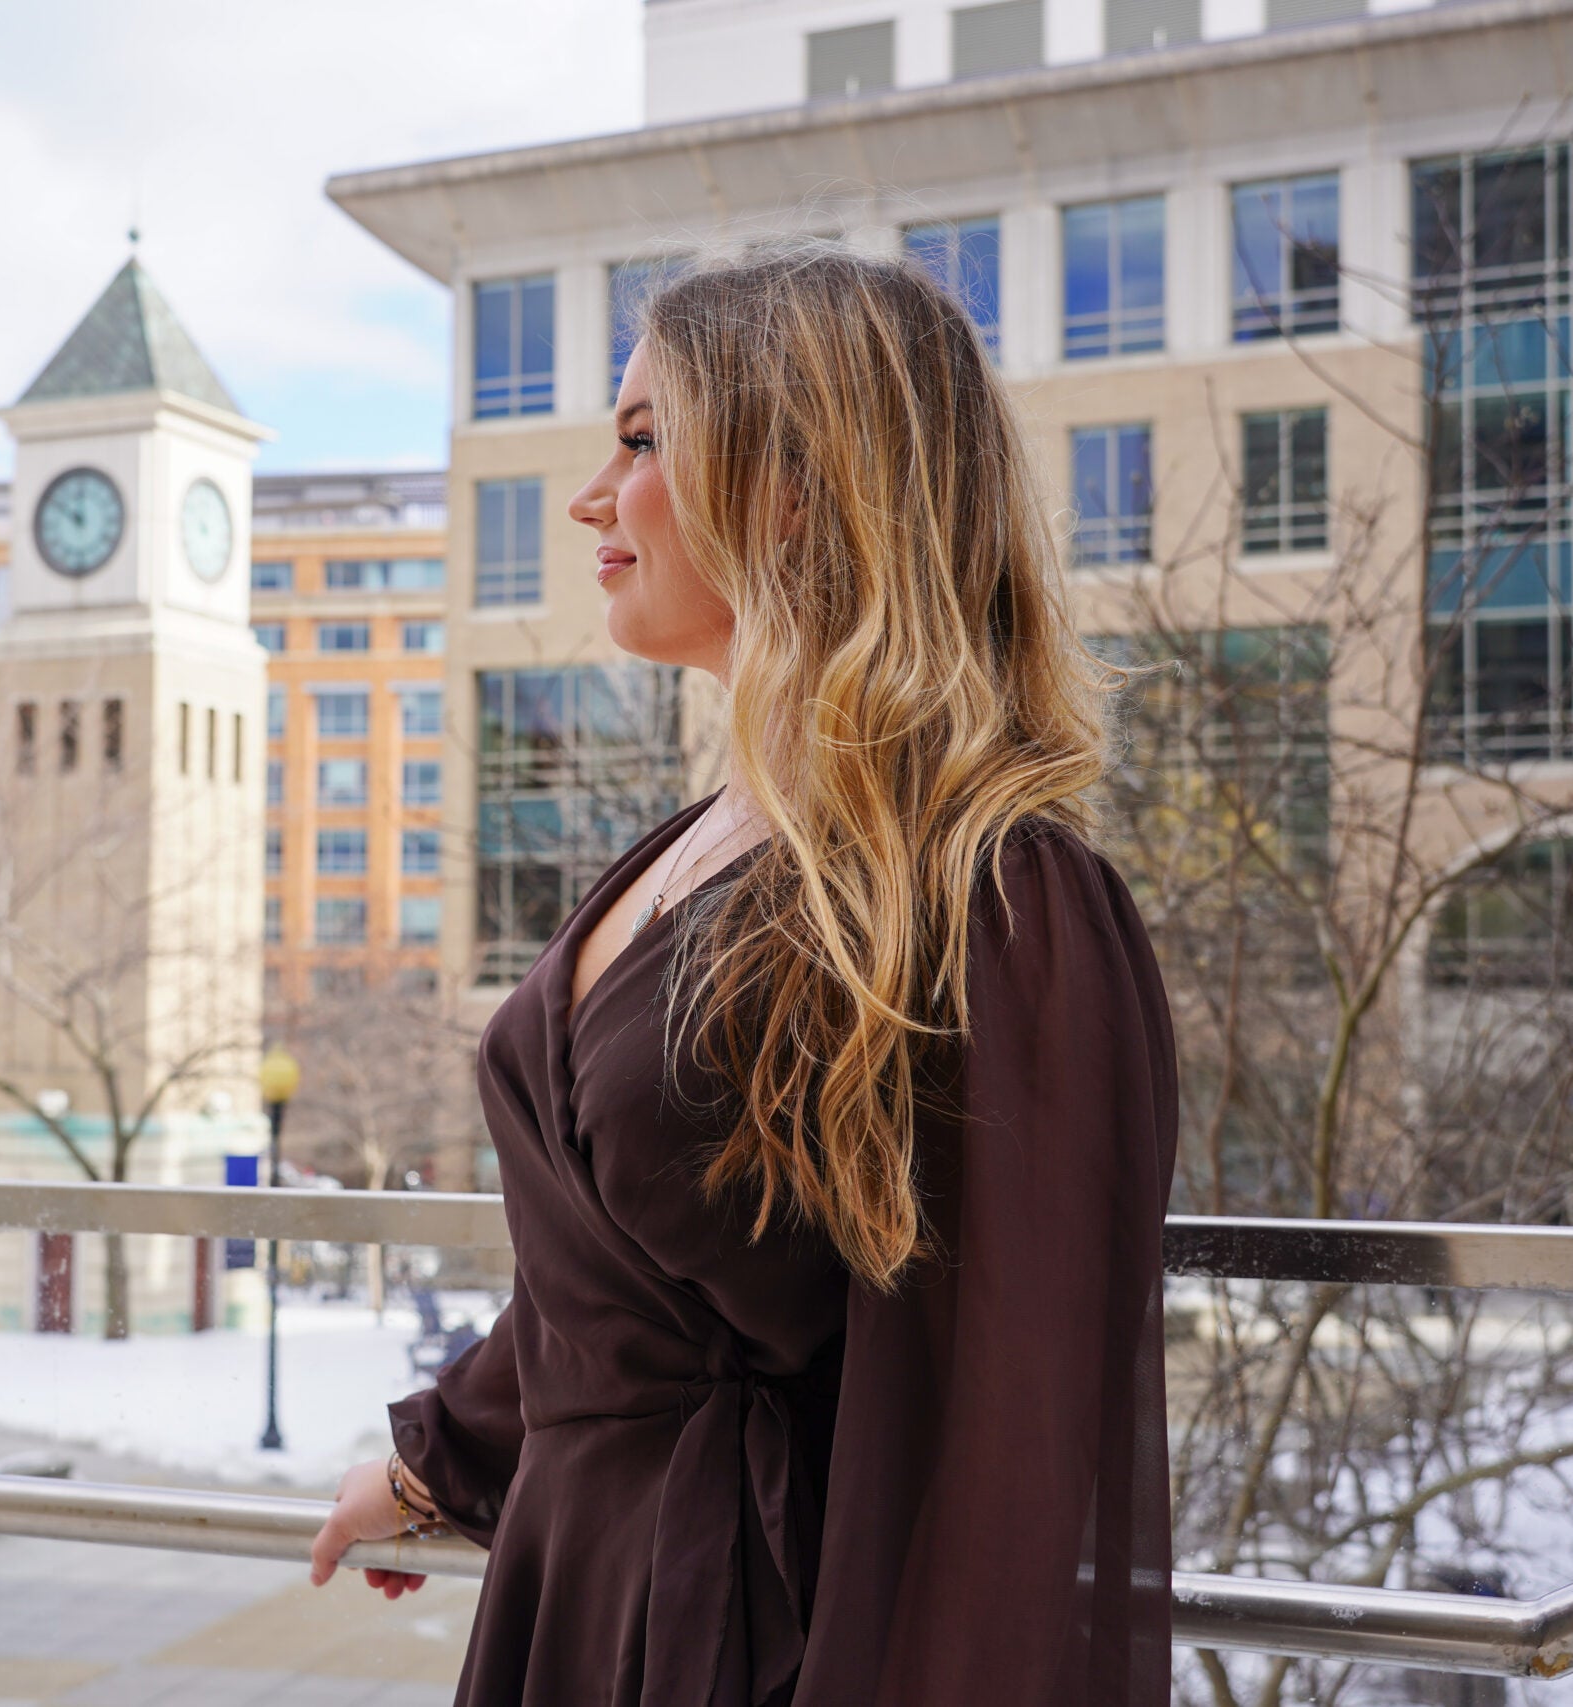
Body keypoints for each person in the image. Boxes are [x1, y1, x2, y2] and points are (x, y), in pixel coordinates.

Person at [305, 239, 1179, 1707]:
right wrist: (438, 1457)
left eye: (644, 442)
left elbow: (999, 1464)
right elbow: (634, 1287)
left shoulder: (996, 897)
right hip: (583, 1600)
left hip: (760, 1642)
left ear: (797, 484)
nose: (592, 497)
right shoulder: (715, 837)